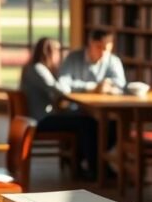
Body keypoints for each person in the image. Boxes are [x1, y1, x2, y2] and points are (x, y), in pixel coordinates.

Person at [19, 37, 99, 178]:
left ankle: (79, 163)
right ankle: (94, 168)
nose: (59, 56)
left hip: (41, 116)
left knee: (83, 118)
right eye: (57, 51)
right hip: (40, 120)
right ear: (49, 52)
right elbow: (60, 90)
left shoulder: (36, 68)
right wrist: (88, 86)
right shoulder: (38, 69)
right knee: (87, 123)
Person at [59, 29, 127, 94]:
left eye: (106, 49)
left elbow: (121, 83)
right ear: (90, 43)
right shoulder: (73, 57)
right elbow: (63, 82)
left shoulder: (114, 60)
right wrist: (91, 87)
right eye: (99, 47)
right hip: (77, 104)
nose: (102, 53)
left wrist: (108, 83)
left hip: (104, 104)